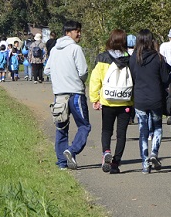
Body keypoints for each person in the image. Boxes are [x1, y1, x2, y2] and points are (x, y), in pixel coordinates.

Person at [44, 20, 91, 170]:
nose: (79, 34)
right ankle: (71, 150)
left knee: (61, 128)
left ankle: (62, 163)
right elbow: (83, 71)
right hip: (75, 94)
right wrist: (77, 79)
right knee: (84, 126)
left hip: (59, 95)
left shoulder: (54, 49)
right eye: (77, 31)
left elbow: (47, 70)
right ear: (68, 33)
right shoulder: (75, 49)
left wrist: (59, 78)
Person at [89, 29, 133, 174]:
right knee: (122, 133)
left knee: (106, 130)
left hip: (107, 100)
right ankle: (115, 163)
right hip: (125, 101)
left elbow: (95, 79)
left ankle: (106, 151)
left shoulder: (102, 58)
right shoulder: (130, 59)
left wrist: (95, 98)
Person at [129, 29, 169, 174]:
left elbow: (132, 78)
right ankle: (154, 153)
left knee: (143, 131)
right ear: (151, 41)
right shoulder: (158, 58)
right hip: (156, 98)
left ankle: (145, 163)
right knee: (157, 127)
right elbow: (165, 79)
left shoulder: (134, 58)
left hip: (140, 99)